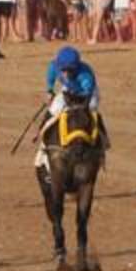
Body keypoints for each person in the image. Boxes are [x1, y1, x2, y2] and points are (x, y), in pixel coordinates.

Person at [35, 45, 102, 176]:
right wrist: (49, 90)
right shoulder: (54, 65)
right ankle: (42, 135)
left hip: (88, 94)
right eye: (63, 70)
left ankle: (102, 143)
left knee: (90, 111)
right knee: (54, 107)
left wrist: (74, 105)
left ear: (76, 67)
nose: (65, 73)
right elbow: (51, 77)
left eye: (69, 70)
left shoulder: (86, 76)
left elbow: (85, 97)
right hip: (69, 91)